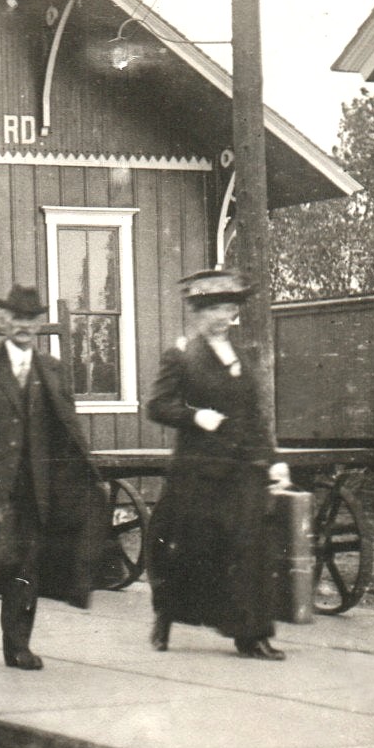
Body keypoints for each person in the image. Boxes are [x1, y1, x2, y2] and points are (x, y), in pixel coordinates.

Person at [0, 285, 107, 670]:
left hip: (37, 486)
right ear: (3, 320)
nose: (23, 326)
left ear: (38, 323)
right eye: (16, 318)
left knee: (27, 565)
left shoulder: (51, 370)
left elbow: (66, 427)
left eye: (30, 319)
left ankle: (17, 646)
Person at [144, 269, 291, 661]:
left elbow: (256, 414)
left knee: (250, 548)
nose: (224, 316)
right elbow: (157, 405)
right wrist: (195, 416)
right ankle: (165, 617)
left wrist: (274, 461)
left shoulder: (242, 356)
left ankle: (252, 635)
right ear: (198, 312)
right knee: (191, 551)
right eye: (215, 309)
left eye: (229, 308)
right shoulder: (182, 355)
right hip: (198, 471)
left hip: (244, 469)